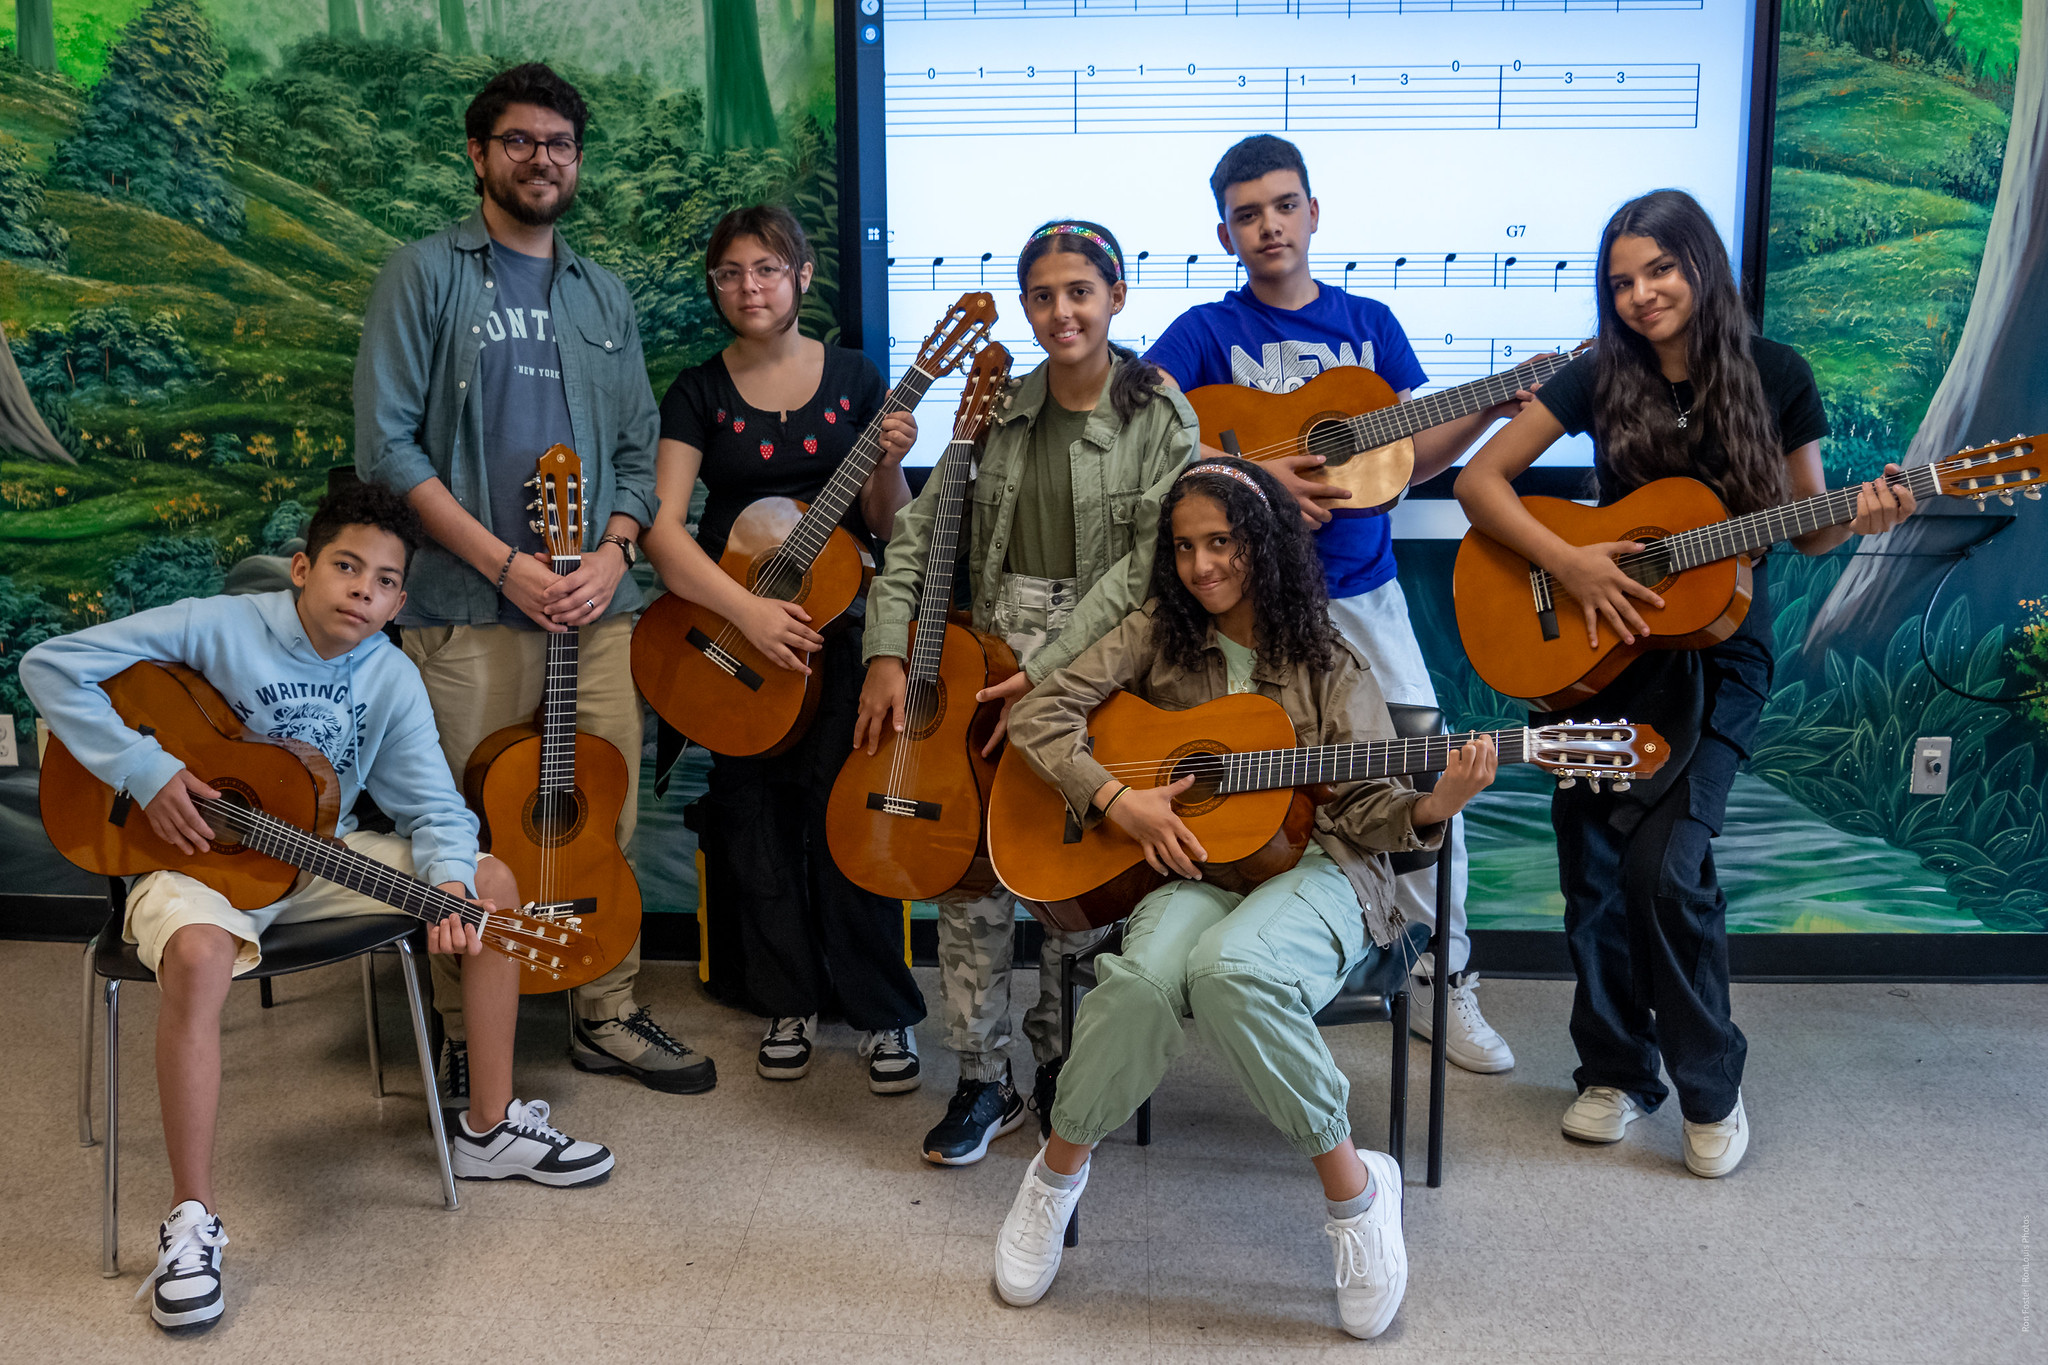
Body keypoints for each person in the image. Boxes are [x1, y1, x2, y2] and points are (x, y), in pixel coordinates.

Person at [21, 486, 615, 1336]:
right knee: (196, 954)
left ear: (399, 601)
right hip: (195, 866)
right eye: (345, 567)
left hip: (309, 862)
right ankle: (191, 1223)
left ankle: (488, 1127)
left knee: (492, 888)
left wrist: (448, 882)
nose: (361, 591)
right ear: (303, 568)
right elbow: (47, 664)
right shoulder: (213, 626)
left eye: (383, 580)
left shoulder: (389, 674)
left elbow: (436, 808)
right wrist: (145, 771)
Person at [1455, 188, 1917, 1177]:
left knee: (1663, 868)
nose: (1639, 295)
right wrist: (1571, 562)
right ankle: (1614, 1072)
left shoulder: (1775, 374)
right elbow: (1476, 483)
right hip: (1599, 652)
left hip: (1717, 659)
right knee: (1588, 870)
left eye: (1657, 270)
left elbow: (1806, 523)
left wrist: (1866, 515)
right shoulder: (1592, 375)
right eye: (1620, 280)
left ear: (1699, 266)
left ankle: (1710, 1086)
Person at [993, 458, 1496, 1337]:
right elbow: (1041, 714)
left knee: (1233, 971)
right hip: (1197, 867)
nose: (1201, 565)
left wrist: (1432, 805)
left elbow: (1375, 811)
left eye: (1221, 542)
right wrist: (1118, 799)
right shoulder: (1158, 629)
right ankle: (1055, 1175)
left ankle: (1356, 1193)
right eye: (1184, 546)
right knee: (1141, 981)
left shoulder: (1328, 659)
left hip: (1327, 868)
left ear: (1261, 545)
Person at [354, 63, 714, 1098]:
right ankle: (472, 1035)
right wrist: (505, 562)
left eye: (557, 143)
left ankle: (607, 1009)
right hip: (465, 612)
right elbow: (385, 447)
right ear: (478, 155)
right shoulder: (421, 275)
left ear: (576, 159)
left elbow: (641, 450)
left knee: (600, 810)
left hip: (598, 612)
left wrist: (608, 552)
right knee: (462, 832)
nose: (541, 158)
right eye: (519, 140)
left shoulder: (601, 292)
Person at [1146, 134, 1523, 1074]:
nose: (1267, 224)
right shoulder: (1201, 333)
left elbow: (1410, 456)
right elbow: (1144, 451)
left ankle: (1444, 979)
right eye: (1246, 213)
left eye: (1282, 204)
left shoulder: (1369, 325)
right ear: (1225, 232)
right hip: (1238, 611)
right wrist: (1260, 476)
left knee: (1431, 769)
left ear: (1314, 212)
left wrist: (1491, 406)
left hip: (1362, 596)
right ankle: (1245, 958)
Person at [856, 219, 1199, 1164]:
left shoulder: (1160, 412)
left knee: (1070, 875)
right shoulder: (997, 407)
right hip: (988, 654)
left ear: (1116, 296)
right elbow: (920, 538)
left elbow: (1146, 569)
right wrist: (889, 649)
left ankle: (1065, 1066)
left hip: (1103, 666)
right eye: (1042, 295)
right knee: (973, 873)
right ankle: (981, 1077)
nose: (1061, 312)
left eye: (1080, 292)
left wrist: (1053, 674)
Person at [642, 204, 927, 1093]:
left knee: (852, 812)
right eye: (729, 273)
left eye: (766, 268)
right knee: (754, 825)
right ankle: (787, 1000)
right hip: (735, 633)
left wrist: (886, 460)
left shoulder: (853, 376)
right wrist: (750, 612)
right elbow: (661, 527)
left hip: (843, 636)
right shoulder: (698, 390)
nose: (748, 287)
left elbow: (886, 526)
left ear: (802, 276)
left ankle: (881, 1011)